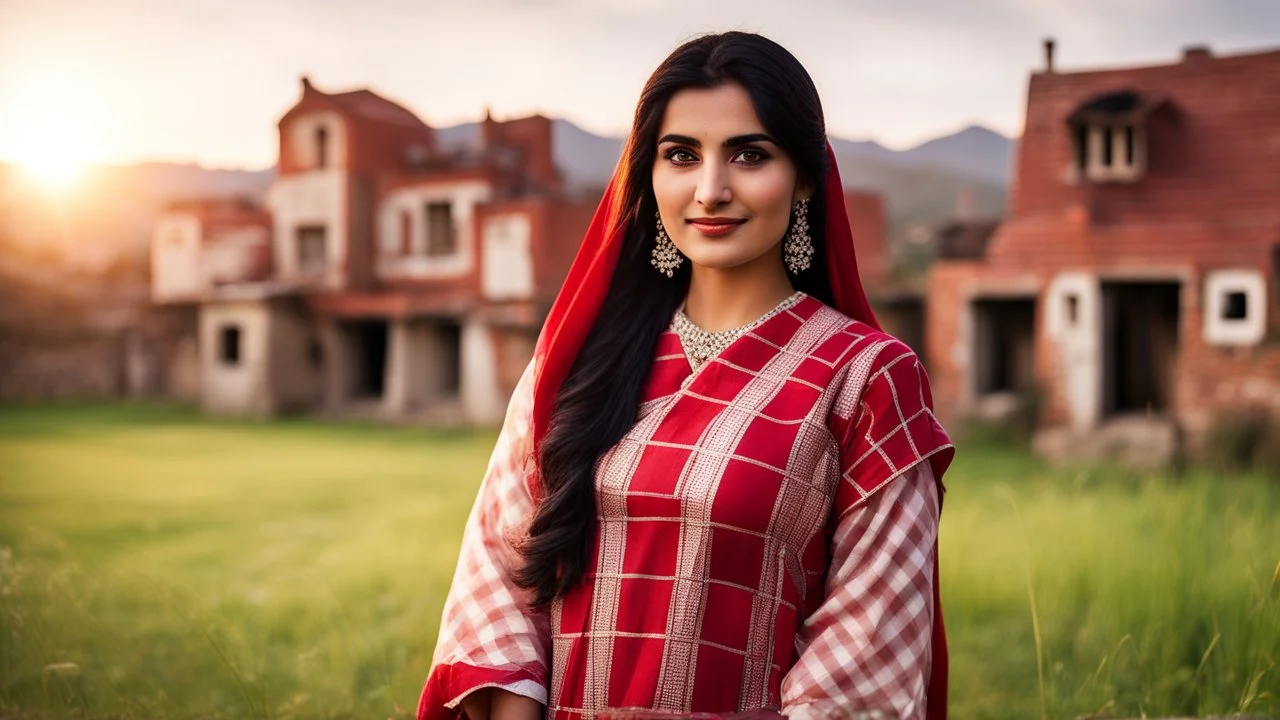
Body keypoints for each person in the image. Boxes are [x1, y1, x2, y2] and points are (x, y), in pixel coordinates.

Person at [417, 31, 954, 720]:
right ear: (647, 174)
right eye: (681, 156)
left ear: (806, 179)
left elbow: (869, 651)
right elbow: (496, 569)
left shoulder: (868, 379)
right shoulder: (580, 362)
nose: (710, 190)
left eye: (750, 155)